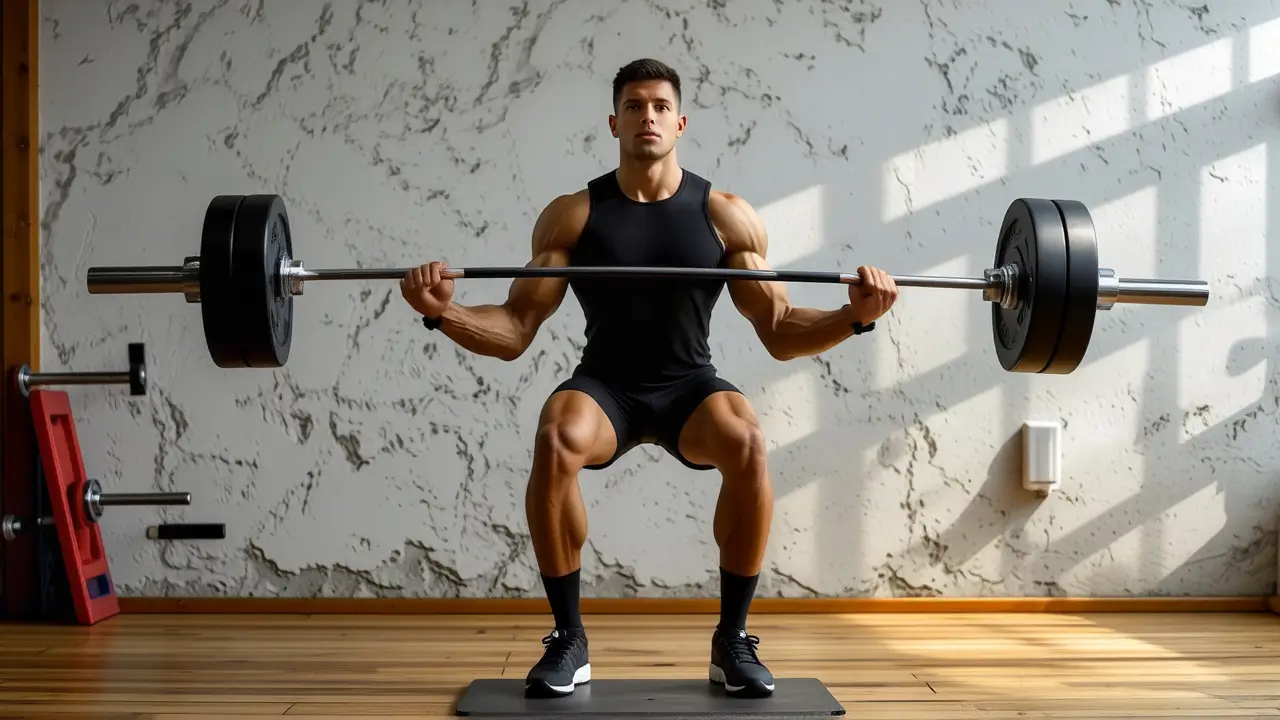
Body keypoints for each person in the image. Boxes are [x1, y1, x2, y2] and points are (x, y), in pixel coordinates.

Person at [400, 58, 898, 699]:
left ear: (681, 122)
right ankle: (569, 639)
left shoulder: (726, 216)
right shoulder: (572, 216)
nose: (648, 117)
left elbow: (777, 327)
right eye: (634, 106)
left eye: (660, 106)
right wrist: (444, 313)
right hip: (607, 388)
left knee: (746, 440)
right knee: (557, 437)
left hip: (688, 387)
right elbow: (518, 326)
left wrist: (852, 317)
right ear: (614, 121)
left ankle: (732, 640)